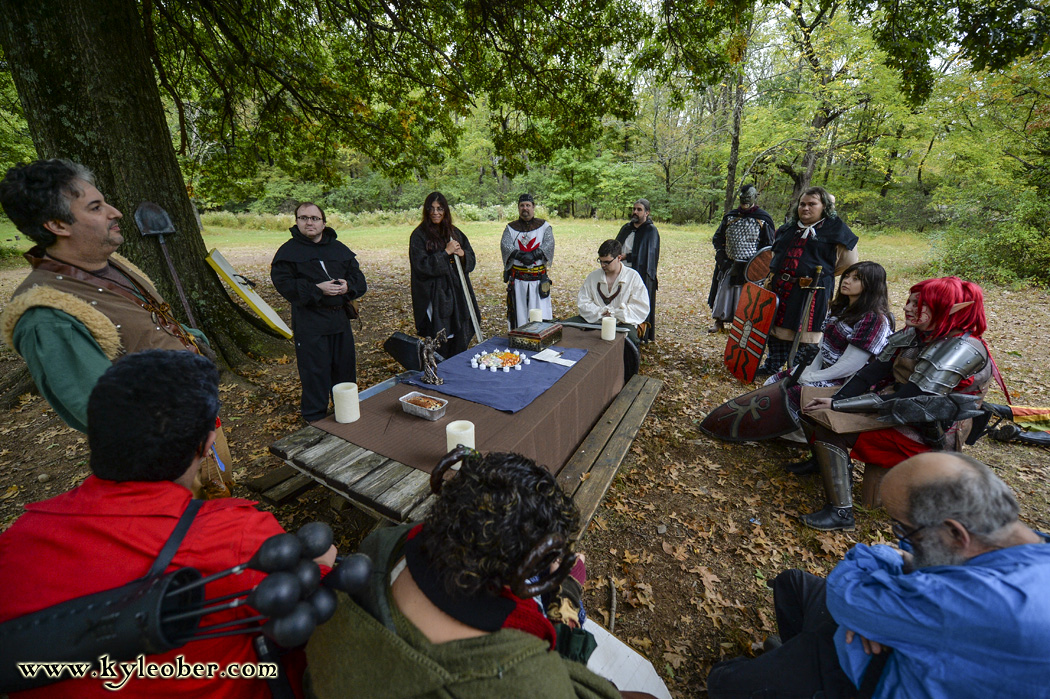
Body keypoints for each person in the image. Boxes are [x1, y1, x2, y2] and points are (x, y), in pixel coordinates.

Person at [0, 350, 337, 698]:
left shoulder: (14, 542)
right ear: (207, 445)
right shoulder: (237, 535)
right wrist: (323, 566)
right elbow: (301, 610)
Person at [305, 450, 652, 699]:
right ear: (517, 577)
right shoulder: (522, 680)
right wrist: (565, 591)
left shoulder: (383, 544)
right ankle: (567, 598)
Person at [707, 452, 1050, 699]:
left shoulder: (986, 604)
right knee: (792, 585)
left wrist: (886, 559)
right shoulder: (1026, 548)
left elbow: (846, 592)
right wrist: (876, 614)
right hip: (876, 640)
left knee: (721, 681)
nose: (902, 542)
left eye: (904, 531)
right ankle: (796, 657)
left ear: (955, 533)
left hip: (874, 677)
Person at [0, 159, 230, 498]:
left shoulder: (110, 265)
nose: (116, 212)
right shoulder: (46, 314)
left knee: (221, 505)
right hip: (163, 465)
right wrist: (180, 447)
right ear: (56, 224)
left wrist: (194, 345)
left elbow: (147, 321)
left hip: (200, 428)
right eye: (96, 207)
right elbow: (100, 412)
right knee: (186, 536)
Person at [797, 276, 996, 531]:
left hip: (927, 429)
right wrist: (836, 399)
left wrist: (837, 407)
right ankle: (824, 463)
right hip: (895, 406)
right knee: (810, 404)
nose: (908, 308)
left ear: (947, 309)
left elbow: (913, 398)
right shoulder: (916, 334)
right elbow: (873, 372)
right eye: (910, 301)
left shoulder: (962, 347)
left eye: (920, 304)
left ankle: (841, 513)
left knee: (828, 425)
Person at [769, 261, 893, 469]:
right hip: (827, 371)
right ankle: (775, 429)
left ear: (871, 285)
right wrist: (809, 371)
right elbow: (823, 346)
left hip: (850, 382)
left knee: (796, 394)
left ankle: (802, 440)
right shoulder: (842, 308)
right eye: (846, 276)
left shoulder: (874, 319)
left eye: (856, 279)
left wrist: (813, 378)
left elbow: (852, 365)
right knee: (775, 382)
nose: (847, 281)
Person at [271, 202, 367, 423]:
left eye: (314, 218)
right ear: (296, 222)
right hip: (310, 323)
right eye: (303, 218)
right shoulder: (288, 252)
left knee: (344, 371)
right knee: (315, 373)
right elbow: (284, 284)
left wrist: (347, 287)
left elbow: (359, 280)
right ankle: (314, 422)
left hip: (339, 320)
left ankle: (347, 415)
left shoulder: (338, 248)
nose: (309, 222)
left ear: (323, 223)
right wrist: (317, 289)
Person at [758, 187, 858, 377]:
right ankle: (773, 365)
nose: (805, 208)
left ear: (824, 207)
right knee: (777, 330)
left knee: (805, 331)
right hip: (781, 288)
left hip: (812, 290)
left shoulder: (837, 231)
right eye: (802, 204)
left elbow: (848, 263)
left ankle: (797, 371)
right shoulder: (788, 228)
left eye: (812, 204)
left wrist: (817, 278)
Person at [409, 192, 481, 358]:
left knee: (460, 333)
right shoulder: (419, 236)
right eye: (432, 209)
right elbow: (422, 266)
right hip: (436, 296)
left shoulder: (454, 233)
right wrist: (445, 252)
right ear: (426, 211)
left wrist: (462, 255)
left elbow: (471, 259)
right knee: (441, 338)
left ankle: (458, 365)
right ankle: (441, 367)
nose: (436, 212)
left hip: (458, 293)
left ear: (445, 211)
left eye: (440, 208)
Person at [708, 185, 776, 333]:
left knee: (747, 296)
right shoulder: (731, 216)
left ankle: (742, 325)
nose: (744, 203)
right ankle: (719, 321)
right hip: (729, 263)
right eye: (743, 199)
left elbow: (769, 245)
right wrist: (721, 257)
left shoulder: (762, 219)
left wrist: (759, 265)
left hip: (752, 266)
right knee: (724, 292)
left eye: (747, 199)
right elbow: (718, 238)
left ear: (753, 199)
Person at [568, 239, 651, 348]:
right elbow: (583, 303)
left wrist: (614, 314)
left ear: (619, 258)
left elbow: (640, 308)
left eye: (607, 262)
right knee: (566, 328)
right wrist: (601, 312)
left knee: (629, 342)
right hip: (594, 320)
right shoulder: (593, 277)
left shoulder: (633, 277)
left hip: (622, 323)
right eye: (600, 261)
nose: (602, 265)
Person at [501, 193, 554, 329]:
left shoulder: (544, 226)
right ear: (518, 208)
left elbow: (549, 243)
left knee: (541, 316)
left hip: (538, 280)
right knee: (520, 317)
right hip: (518, 281)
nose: (525, 208)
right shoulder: (510, 228)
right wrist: (519, 255)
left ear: (533, 207)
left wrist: (535, 254)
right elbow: (505, 245)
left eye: (528, 205)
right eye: (522, 205)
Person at [615, 199, 659, 342]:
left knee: (637, 301)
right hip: (621, 270)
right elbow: (615, 245)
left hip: (640, 273)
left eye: (639, 209)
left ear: (647, 212)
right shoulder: (626, 228)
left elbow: (648, 256)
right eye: (634, 209)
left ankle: (640, 334)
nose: (635, 212)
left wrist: (628, 256)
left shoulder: (650, 231)